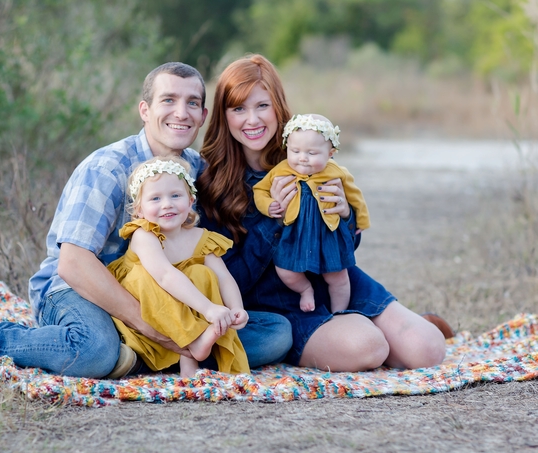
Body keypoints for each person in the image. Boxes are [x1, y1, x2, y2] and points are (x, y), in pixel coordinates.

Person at [0, 62, 292, 378]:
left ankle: (137, 356)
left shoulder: (195, 169)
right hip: (79, 291)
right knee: (93, 351)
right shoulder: (108, 168)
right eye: (168, 100)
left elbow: (240, 209)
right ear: (145, 110)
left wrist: (318, 199)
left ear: (203, 116)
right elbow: (74, 265)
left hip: (161, 296)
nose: (181, 112)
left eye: (193, 102)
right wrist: (152, 325)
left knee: (275, 333)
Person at [197, 54, 448, 372]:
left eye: (262, 105)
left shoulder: (307, 154)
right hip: (283, 304)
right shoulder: (210, 183)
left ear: (278, 105)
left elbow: (347, 247)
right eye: (238, 109)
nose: (252, 120)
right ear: (223, 114)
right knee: (367, 347)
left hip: (337, 281)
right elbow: (227, 281)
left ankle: (393, 326)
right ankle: (365, 333)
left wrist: (344, 219)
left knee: (428, 351)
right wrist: (273, 222)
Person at [108, 155, 249, 378]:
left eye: (175, 195)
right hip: (147, 314)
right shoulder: (144, 235)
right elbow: (165, 276)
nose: (167, 204)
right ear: (139, 210)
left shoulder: (200, 237)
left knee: (201, 273)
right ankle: (195, 342)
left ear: (190, 200)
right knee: (144, 277)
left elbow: (223, 277)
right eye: (155, 198)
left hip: (184, 309)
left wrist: (236, 308)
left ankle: (189, 363)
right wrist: (208, 309)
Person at [252, 113, 370, 314]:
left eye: (312, 153)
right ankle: (305, 289)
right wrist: (268, 204)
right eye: (295, 150)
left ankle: (339, 313)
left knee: (338, 277)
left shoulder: (336, 173)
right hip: (294, 234)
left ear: (330, 153)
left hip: (327, 234)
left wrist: (359, 221)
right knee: (284, 269)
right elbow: (259, 190)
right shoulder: (281, 170)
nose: (302, 158)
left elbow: (355, 196)